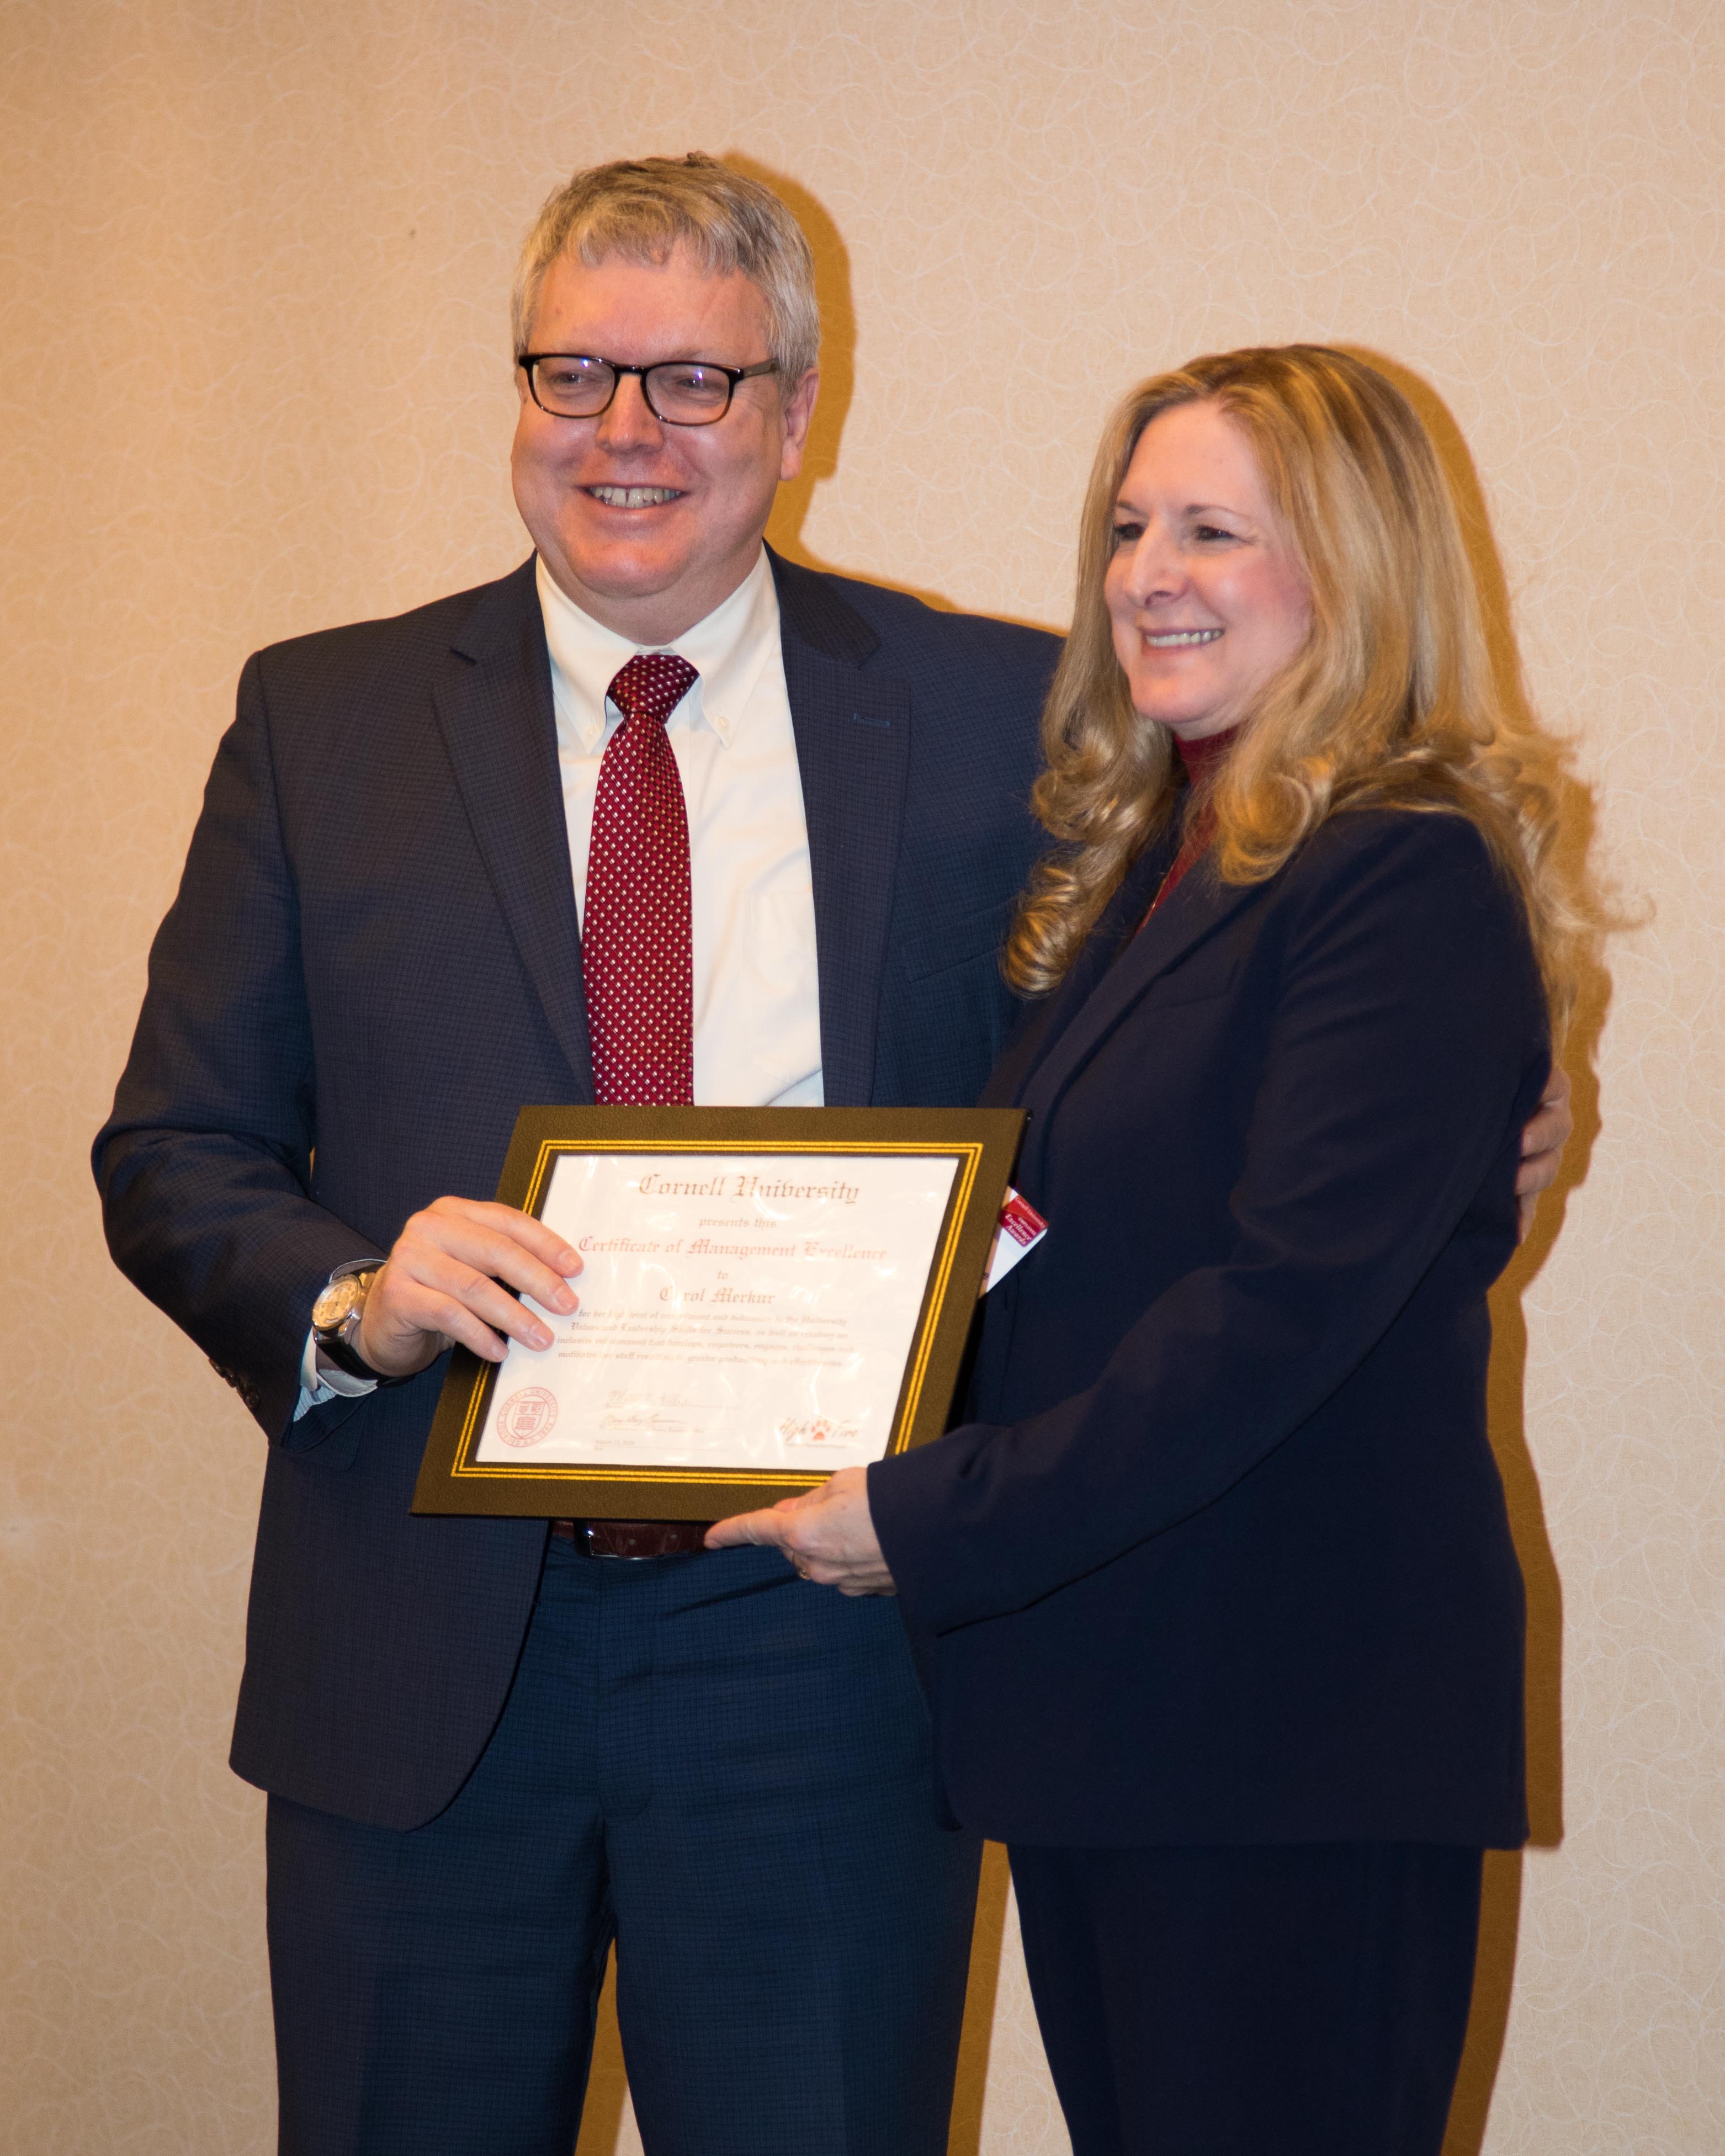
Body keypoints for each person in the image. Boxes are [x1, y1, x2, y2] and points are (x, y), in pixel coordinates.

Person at [92, 154, 1064, 2156]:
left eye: (694, 384)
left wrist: (1449, 1076)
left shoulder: (995, 714)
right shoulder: (321, 717)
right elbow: (176, 1144)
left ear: (798, 412)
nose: (625, 433)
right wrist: (355, 1302)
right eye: (573, 373)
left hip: (819, 1639)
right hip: (420, 1649)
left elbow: (1142, 1073)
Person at [710, 344, 1602, 2155]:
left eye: (1214, 530)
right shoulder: (1161, 863)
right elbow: (1043, 1245)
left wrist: (920, 1514)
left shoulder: (1398, 870)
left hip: (1283, 1735)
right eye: (1129, 526)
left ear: (1355, 572)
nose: (1145, 575)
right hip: (1127, 1720)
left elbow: (1274, 1318)